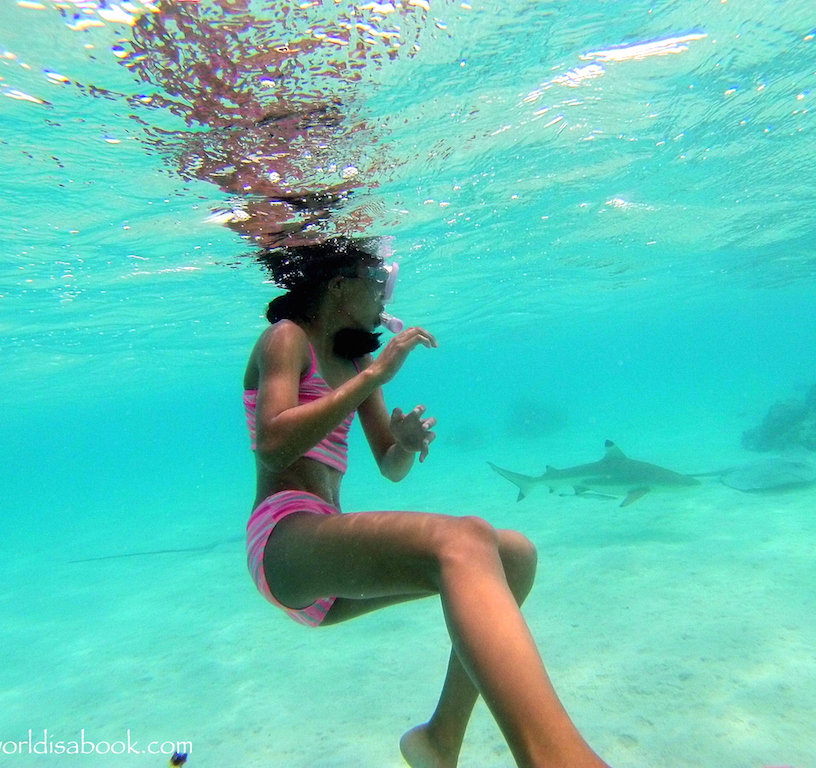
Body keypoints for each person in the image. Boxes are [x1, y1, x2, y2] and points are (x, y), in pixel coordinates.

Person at [242, 236, 611, 768]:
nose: (386, 296)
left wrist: (405, 445)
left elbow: (389, 469)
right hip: (282, 542)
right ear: (339, 286)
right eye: (379, 282)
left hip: (329, 556)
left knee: (513, 555)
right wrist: (375, 376)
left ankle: (439, 740)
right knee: (461, 537)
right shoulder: (287, 338)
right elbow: (274, 446)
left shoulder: (356, 358)